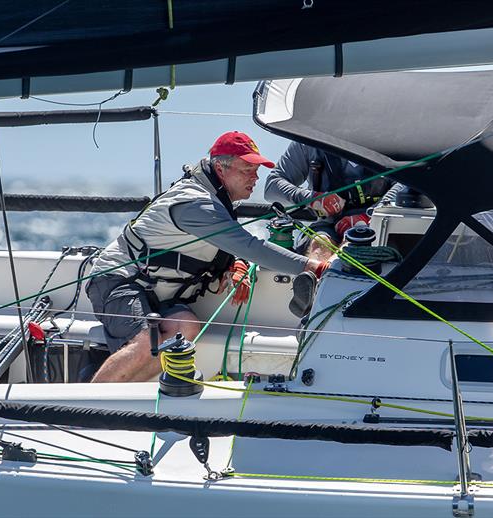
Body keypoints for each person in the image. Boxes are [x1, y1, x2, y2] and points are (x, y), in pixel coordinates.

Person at [86, 131, 327, 382]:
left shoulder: (217, 201)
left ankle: (118, 399)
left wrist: (236, 263)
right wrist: (313, 266)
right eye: (247, 169)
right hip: (117, 281)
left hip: (156, 291)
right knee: (149, 342)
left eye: (257, 170)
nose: (256, 177)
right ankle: (84, 411)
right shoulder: (195, 203)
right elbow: (248, 245)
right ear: (221, 169)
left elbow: (228, 246)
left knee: (186, 329)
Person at [264, 141, 403, 262]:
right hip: (327, 225)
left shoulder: (394, 138)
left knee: (352, 247)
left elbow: (414, 181)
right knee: (320, 244)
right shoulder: (308, 141)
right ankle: (315, 283)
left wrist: (370, 215)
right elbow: (272, 187)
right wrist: (312, 198)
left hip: (382, 225)